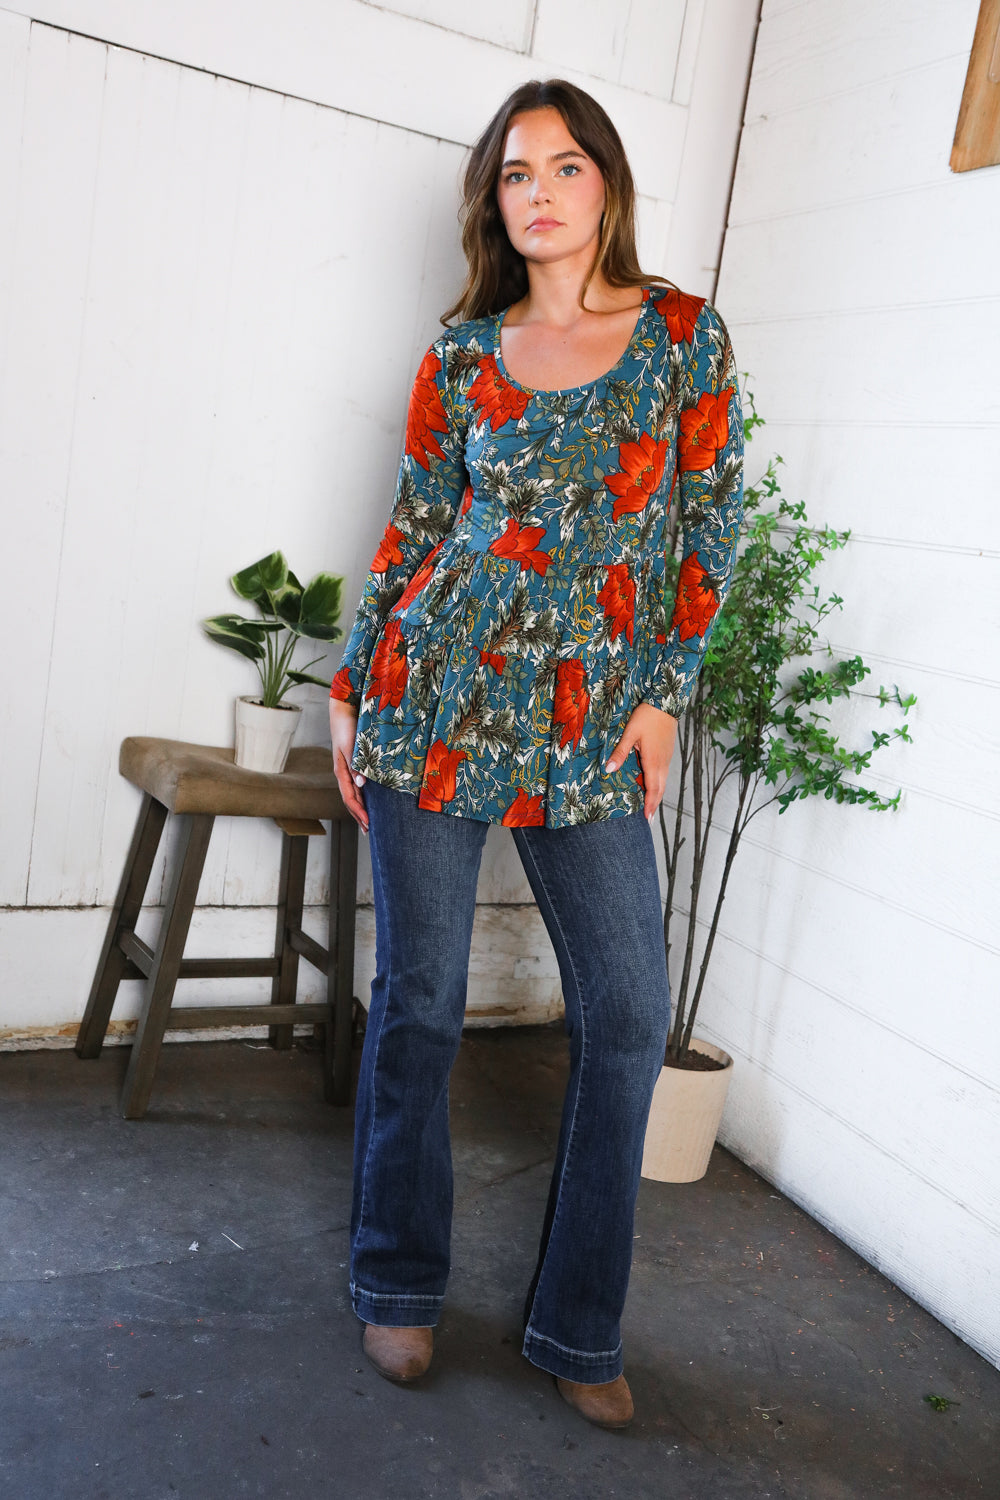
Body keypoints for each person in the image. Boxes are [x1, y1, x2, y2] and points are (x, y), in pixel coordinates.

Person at [329, 78, 743, 1430]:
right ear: (494, 203)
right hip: (436, 693)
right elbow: (413, 527)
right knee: (422, 1004)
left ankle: (579, 1325)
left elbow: (710, 526)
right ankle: (397, 1282)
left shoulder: (681, 336)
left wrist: (665, 695)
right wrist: (353, 684)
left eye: (566, 166)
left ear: (606, 184)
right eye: (517, 174)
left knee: (625, 1015)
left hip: (592, 717)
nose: (542, 192)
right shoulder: (461, 355)